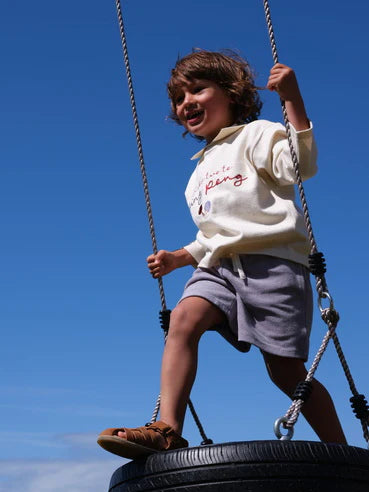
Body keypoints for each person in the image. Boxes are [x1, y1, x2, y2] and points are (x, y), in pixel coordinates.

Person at [97, 50, 347, 459]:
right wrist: (180, 257)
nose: (186, 103)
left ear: (231, 93)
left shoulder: (259, 134)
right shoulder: (198, 172)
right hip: (219, 268)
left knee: (285, 373)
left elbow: (300, 166)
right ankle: (167, 428)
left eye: (197, 90)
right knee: (184, 318)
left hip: (273, 263)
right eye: (179, 98)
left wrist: (293, 100)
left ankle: (341, 452)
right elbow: (214, 234)